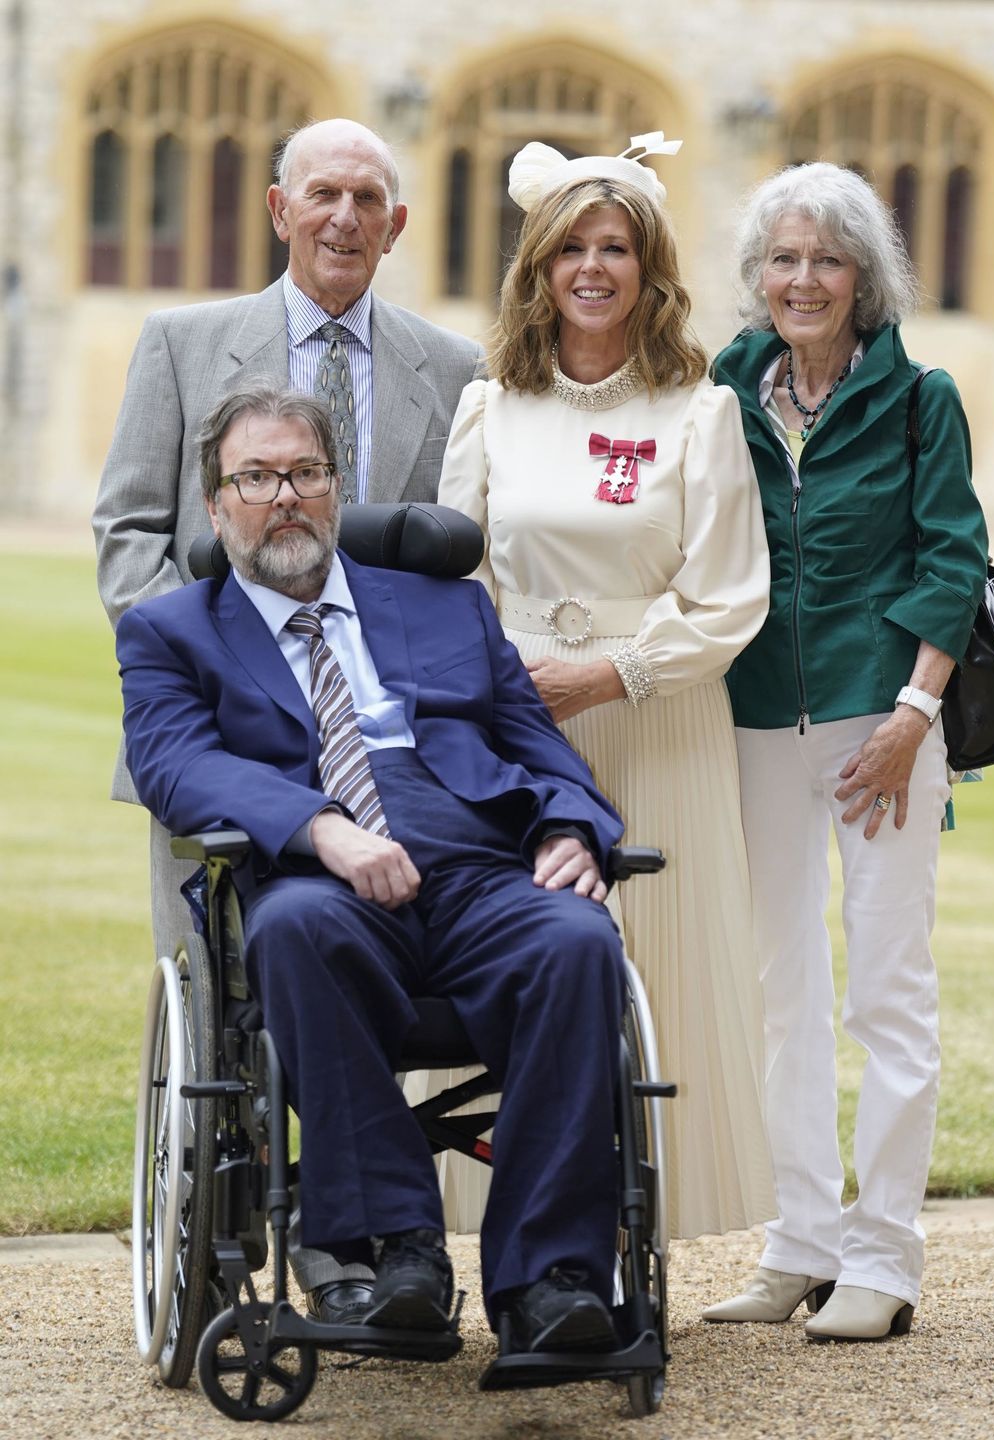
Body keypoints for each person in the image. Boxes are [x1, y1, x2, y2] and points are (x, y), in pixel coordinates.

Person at [115, 382, 628, 1355]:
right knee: (291, 930)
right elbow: (175, 764)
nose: (284, 496)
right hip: (324, 881)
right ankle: (399, 1249)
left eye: (305, 472)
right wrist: (322, 826)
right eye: (256, 477)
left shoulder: (445, 609)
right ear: (217, 505)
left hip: (481, 868)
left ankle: (550, 1278)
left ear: (336, 487)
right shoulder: (173, 633)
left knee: (577, 937)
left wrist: (570, 827)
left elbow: (534, 742)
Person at [437, 136, 776, 1239]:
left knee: (654, 965)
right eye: (571, 246)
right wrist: (509, 686)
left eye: (616, 246)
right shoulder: (493, 405)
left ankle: (633, 1230)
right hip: (519, 724)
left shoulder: (701, 410)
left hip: (657, 720)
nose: (593, 266)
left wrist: (609, 673)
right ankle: (513, 1224)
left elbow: (729, 599)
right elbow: (457, 578)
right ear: (539, 267)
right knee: (517, 959)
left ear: (650, 266)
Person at [702, 163, 989, 1341]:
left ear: (867, 277)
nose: (803, 279)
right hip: (762, 714)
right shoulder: (724, 384)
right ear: (758, 276)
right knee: (782, 993)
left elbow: (951, 562)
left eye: (827, 258)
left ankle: (886, 1257)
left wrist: (911, 719)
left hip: (889, 722)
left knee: (887, 991)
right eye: (783, 258)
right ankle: (801, 1243)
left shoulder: (922, 396)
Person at [92, 117, 483, 961]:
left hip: (388, 737)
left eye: (367, 199)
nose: (345, 216)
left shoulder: (457, 368)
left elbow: (453, 554)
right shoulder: (181, 344)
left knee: (395, 989)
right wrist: (216, 668)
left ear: (396, 224)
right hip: (220, 729)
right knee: (212, 1002)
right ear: (279, 211)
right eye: (323, 195)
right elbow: (128, 532)